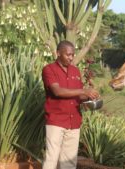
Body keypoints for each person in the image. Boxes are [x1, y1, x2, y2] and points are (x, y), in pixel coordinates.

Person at [42, 40, 99, 169]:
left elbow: (79, 95)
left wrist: (90, 96)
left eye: (73, 54)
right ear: (58, 53)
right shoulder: (49, 69)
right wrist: (84, 91)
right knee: (51, 158)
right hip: (56, 120)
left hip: (74, 121)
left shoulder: (75, 71)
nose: (71, 58)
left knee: (69, 162)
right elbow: (57, 91)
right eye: (68, 55)